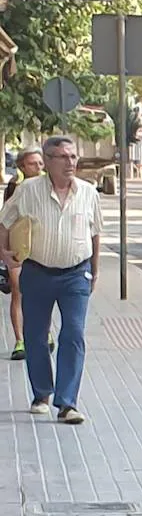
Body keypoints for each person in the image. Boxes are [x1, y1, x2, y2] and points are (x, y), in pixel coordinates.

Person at [0, 136, 103, 424]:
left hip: (75, 274)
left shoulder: (88, 192)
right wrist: (6, 256)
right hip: (37, 271)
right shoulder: (28, 191)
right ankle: (41, 392)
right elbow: (5, 222)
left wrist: (95, 270)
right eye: (63, 157)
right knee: (35, 335)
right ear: (47, 162)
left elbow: (95, 232)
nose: (70, 162)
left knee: (73, 334)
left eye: (73, 156)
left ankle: (67, 403)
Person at [3, 148, 50, 361]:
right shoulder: (15, 187)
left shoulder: (49, 186)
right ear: (22, 166)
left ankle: (43, 332)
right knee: (18, 292)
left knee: (42, 294)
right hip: (19, 248)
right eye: (33, 164)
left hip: (41, 248)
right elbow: (4, 220)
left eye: (41, 163)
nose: (38, 168)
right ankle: (20, 340)